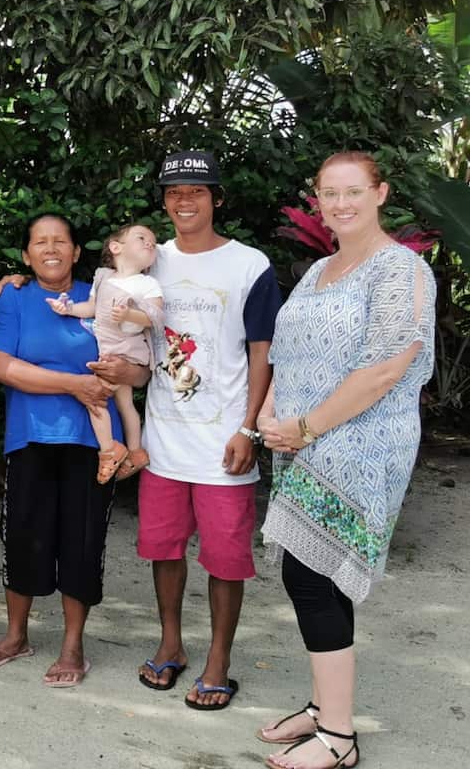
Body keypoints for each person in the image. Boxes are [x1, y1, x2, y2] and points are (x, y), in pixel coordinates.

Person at [257, 152, 434, 769]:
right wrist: (271, 416)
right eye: (329, 193)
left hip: (360, 445)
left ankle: (338, 736)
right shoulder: (318, 270)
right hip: (302, 442)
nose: (340, 204)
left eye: (353, 191)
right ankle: (321, 707)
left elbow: (385, 368)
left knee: (311, 577)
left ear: (379, 194)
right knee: (315, 573)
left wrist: (306, 427)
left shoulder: (401, 269)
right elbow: (287, 353)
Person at [134, 150, 282, 710]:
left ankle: (219, 660)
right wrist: (14, 280)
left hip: (225, 444)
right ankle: (170, 643)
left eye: (196, 191)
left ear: (216, 198)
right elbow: (97, 294)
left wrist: (250, 428)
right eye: (174, 192)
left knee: (225, 559)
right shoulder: (150, 261)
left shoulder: (248, 265)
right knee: (164, 550)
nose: (184, 201)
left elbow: (263, 352)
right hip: (164, 442)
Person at [0, 214, 126, 687]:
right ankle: (15, 635)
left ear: (77, 251)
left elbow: (135, 363)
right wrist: (75, 384)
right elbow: (2, 367)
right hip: (31, 436)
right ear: (26, 255)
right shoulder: (14, 298)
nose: (51, 249)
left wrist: (121, 373)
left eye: (61, 241)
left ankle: (72, 646)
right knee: (23, 536)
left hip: (94, 442)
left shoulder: (103, 298)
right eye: (40, 242)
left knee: (82, 542)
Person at [48, 224, 162, 482]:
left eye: (153, 243)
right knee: (124, 404)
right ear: (116, 247)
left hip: (126, 350)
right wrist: (68, 309)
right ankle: (136, 452)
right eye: (141, 238)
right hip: (108, 347)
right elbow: (92, 308)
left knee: (95, 399)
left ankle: (110, 450)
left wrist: (130, 314)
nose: (149, 243)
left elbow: (155, 317)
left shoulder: (148, 284)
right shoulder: (103, 277)